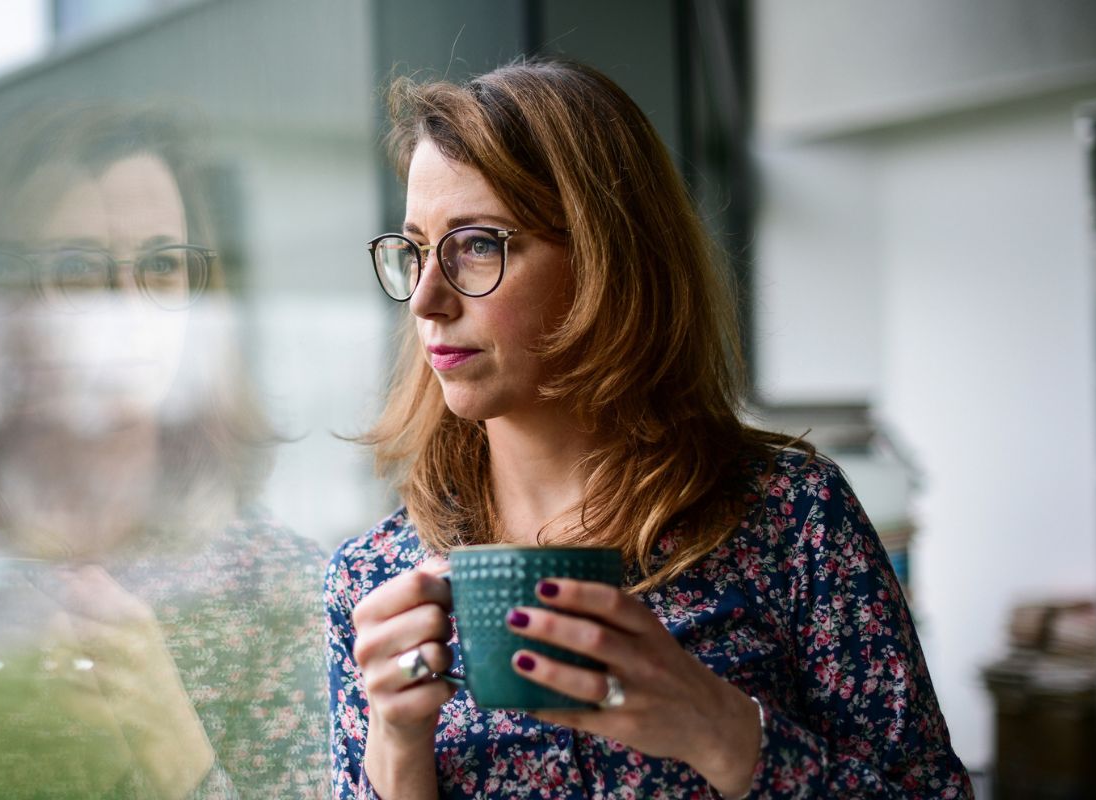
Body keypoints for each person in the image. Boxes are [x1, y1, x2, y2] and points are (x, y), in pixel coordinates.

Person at [325, 60, 973, 799]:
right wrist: (398, 747)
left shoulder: (791, 518)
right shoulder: (374, 577)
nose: (427, 299)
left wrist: (720, 731)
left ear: (607, 256)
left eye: (478, 244)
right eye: (414, 250)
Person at [0, 104, 329, 798]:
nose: (125, 305)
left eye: (161, 266)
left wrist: (170, 743)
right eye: (82, 270)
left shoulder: (277, 586)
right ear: (10, 299)